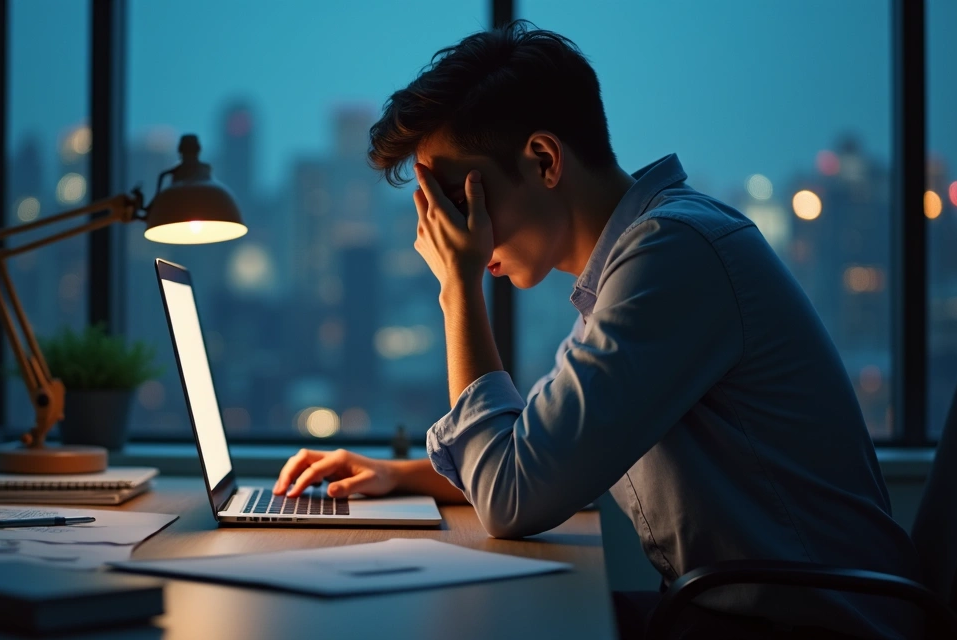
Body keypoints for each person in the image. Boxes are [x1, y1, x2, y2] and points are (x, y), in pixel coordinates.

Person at [273, 21, 920, 640]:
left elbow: (513, 497)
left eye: (457, 198)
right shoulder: (632, 265)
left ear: (544, 159)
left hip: (803, 631)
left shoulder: (673, 255)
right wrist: (403, 475)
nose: (449, 228)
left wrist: (457, 287)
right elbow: (545, 452)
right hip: (738, 617)